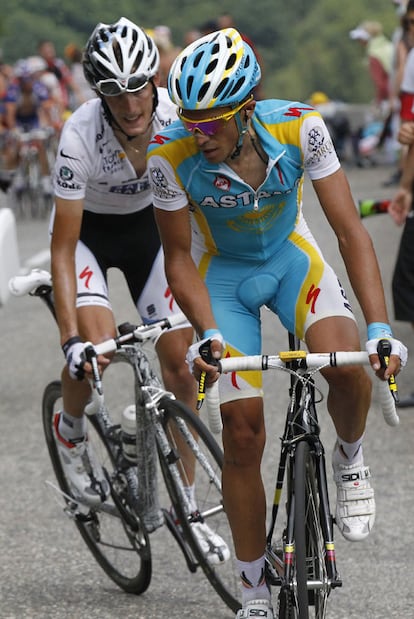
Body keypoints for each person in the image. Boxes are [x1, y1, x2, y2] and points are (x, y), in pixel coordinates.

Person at [146, 28, 407, 618]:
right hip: (224, 277)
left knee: (347, 368)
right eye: (190, 119)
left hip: (292, 257)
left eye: (210, 122)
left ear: (244, 111)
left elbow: (350, 233)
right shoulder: (169, 155)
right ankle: (252, 588)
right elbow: (180, 258)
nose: (197, 132)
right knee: (242, 433)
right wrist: (207, 332)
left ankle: (349, 458)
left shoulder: (299, 127)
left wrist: (379, 329)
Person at [50, 17, 227, 561]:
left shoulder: (177, 115)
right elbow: (62, 246)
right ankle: (70, 428)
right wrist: (69, 339)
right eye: (112, 92)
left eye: (137, 88)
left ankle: (186, 507)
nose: (129, 105)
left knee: (179, 361)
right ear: (97, 93)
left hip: (151, 233)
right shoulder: (78, 134)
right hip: (90, 239)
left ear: (154, 79)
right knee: (97, 355)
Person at [350, 20, 394, 109]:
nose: (359, 42)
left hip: (392, 99)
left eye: (360, 39)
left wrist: (377, 102)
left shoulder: (374, 55)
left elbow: (381, 85)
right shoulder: (390, 46)